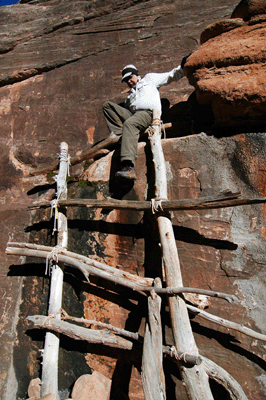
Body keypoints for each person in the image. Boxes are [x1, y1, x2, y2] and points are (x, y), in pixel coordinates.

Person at [102, 55, 190, 181]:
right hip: (135, 116)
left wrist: (183, 67)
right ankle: (122, 135)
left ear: (137, 74)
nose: (129, 81)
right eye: (126, 80)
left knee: (130, 124)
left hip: (148, 114)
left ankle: (128, 167)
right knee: (107, 106)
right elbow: (128, 113)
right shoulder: (129, 97)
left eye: (130, 77)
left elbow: (170, 76)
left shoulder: (149, 80)